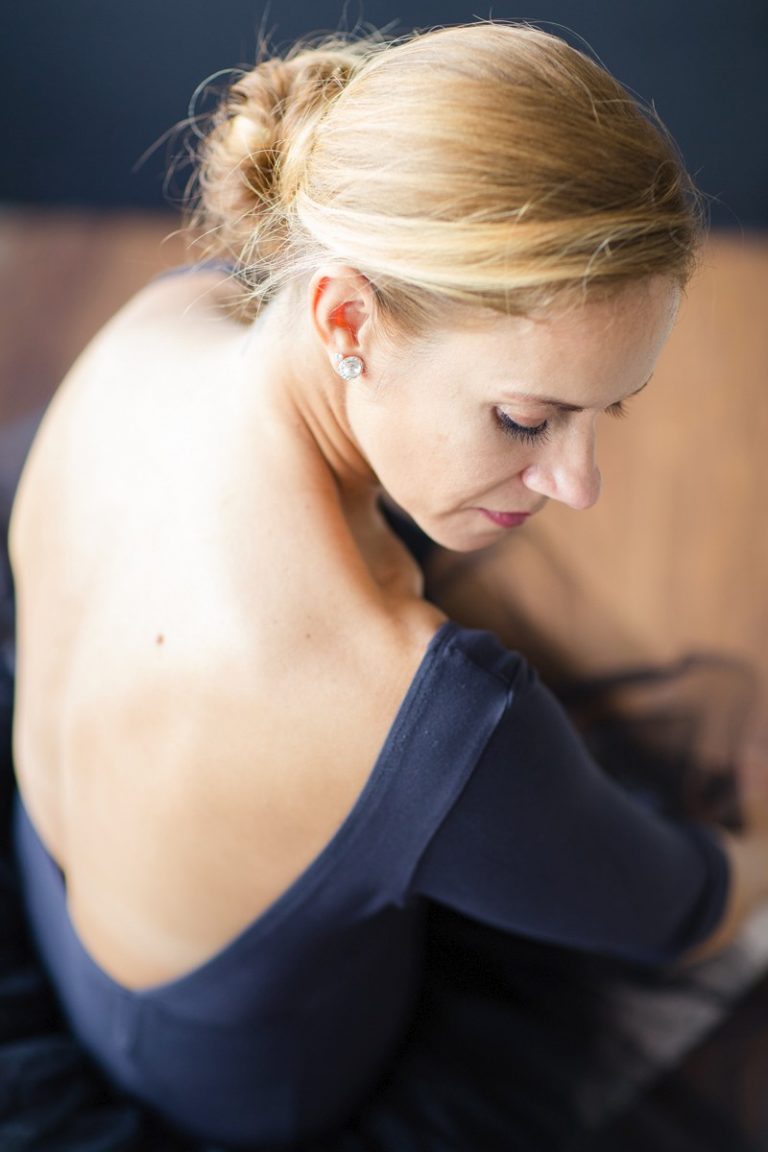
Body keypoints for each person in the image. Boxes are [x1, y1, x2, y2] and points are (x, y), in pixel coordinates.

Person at [6, 20, 768, 1151]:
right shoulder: (418, 705)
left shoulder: (157, 327)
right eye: (526, 416)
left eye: (614, 407)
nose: (581, 482)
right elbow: (678, 910)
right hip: (256, 1098)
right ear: (347, 316)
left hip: (56, 882)